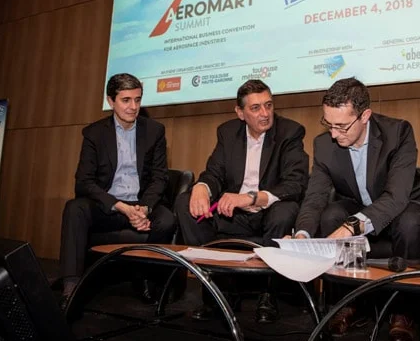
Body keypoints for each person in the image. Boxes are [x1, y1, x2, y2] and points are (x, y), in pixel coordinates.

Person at [293, 77, 420, 341]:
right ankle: (349, 303)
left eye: (341, 126)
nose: (334, 134)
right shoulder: (324, 145)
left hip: (406, 206)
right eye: (328, 124)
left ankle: (403, 312)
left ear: (365, 116)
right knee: (331, 214)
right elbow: (315, 196)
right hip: (361, 205)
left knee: (409, 222)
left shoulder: (398, 133)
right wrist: (302, 234)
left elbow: (396, 197)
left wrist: (352, 226)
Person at [174, 79, 309, 324]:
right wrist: (201, 188)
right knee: (186, 203)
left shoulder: (290, 132)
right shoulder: (228, 133)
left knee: (285, 211)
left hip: (268, 211)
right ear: (240, 112)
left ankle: (268, 294)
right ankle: (218, 290)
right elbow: (214, 173)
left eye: (269, 105)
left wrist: (251, 197)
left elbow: (295, 183)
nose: (265, 113)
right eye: (256, 108)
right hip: (232, 214)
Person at [58, 73, 174, 310]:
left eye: (137, 100)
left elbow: (159, 177)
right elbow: (84, 182)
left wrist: (144, 208)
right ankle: (71, 286)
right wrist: (120, 207)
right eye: (126, 100)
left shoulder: (155, 131)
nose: (133, 107)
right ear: (111, 101)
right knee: (75, 208)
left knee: (167, 220)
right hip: (110, 205)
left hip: (140, 203)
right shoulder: (94, 134)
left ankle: (143, 276)